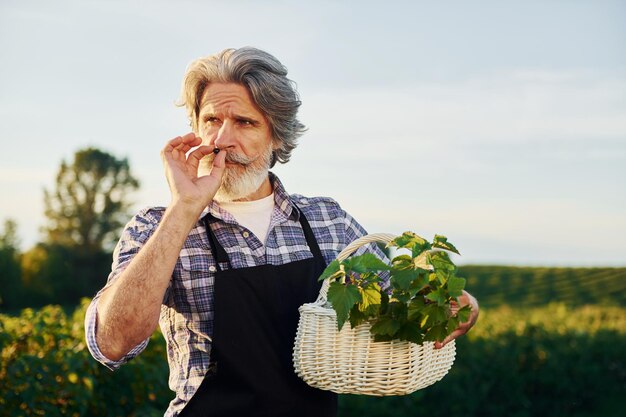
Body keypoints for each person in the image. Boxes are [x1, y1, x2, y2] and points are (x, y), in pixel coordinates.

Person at [85, 47, 479, 417]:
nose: (223, 140)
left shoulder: (327, 221)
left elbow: (400, 305)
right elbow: (112, 344)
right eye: (211, 121)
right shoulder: (158, 225)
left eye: (244, 122)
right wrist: (184, 209)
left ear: (277, 136)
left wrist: (458, 306)